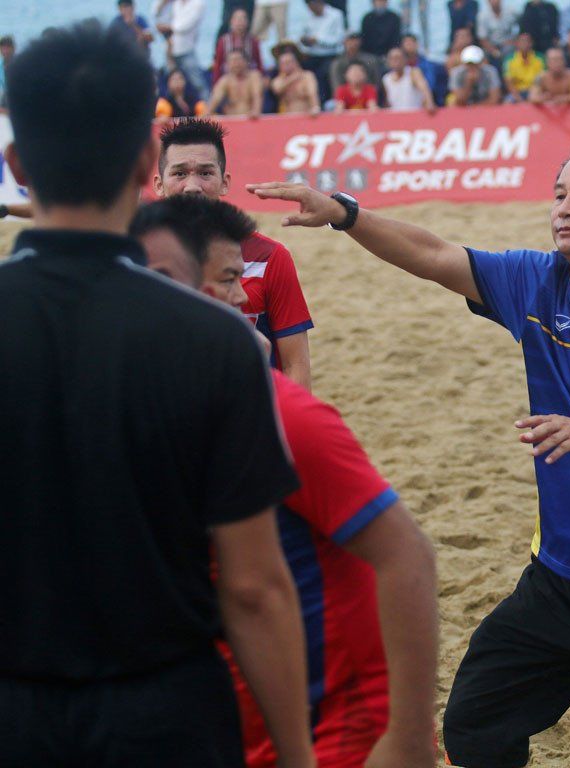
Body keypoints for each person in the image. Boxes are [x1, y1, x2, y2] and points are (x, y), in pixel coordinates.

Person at [247, 139, 570, 768]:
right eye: (559, 194)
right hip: (556, 584)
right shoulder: (537, 282)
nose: (564, 208)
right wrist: (345, 213)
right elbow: (433, 253)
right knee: (475, 725)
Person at [0, 22, 313, 768]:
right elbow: (254, 588)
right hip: (164, 708)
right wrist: (298, 756)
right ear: (148, 161)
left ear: (15, 163)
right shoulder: (220, 341)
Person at [132, 194, 440, 768]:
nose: (238, 296)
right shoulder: (134, 414)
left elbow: (409, 558)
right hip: (235, 722)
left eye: (237, 279)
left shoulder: (282, 414)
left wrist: (408, 735)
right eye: (227, 280)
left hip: (338, 726)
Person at [155, 118, 315, 390]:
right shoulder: (136, 260)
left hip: (248, 421)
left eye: (205, 173)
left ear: (225, 182)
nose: (192, 186)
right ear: (159, 184)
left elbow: (294, 365)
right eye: (179, 173)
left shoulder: (269, 258)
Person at [157, 0, 209, 100]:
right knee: (167, 85)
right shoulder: (175, 3)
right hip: (170, 48)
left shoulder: (198, 3)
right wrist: (163, 3)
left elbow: (185, 26)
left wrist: (167, 27)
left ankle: (208, 110)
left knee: (198, 83)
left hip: (186, 50)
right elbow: (157, 14)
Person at [301, 0, 346, 102]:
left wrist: (318, 41)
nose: (311, 9)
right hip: (312, 55)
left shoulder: (336, 15)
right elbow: (304, 36)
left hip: (330, 54)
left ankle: (324, 102)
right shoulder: (309, 17)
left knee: (322, 74)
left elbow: (338, 40)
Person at [213, 8, 264, 82]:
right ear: (231, 22)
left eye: (243, 19)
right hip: (229, 79)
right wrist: (216, 83)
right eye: (237, 19)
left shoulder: (253, 41)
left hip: (248, 79)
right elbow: (218, 64)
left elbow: (259, 63)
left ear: (247, 22)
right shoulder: (223, 41)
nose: (240, 22)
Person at [210, 49, 264, 116]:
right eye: (231, 61)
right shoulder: (225, 80)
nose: (235, 63)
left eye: (238, 60)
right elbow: (215, 99)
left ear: (246, 61)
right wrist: (206, 115)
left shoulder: (254, 76)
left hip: (251, 118)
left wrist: (256, 111)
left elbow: (257, 96)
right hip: (232, 119)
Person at [272, 44, 322, 115]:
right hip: (286, 118)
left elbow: (312, 94)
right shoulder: (278, 80)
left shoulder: (307, 76)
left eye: (288, 62)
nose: (285, 65)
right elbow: (277, 89)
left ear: (295, 62)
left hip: (305, 116)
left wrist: (315, 107)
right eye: (282, 63)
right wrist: (294, 77)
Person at [382, 46, 437, 110]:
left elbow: (424, 88)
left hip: (413, 115)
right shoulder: (386, 79)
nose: (396, 61)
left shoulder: (413, 73)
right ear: (389, 61)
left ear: (405, 59)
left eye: (398, 58)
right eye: (392, 58)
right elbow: (387, 103)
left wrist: (429, 102)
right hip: (396, 117)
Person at [402, 33, 448, 104]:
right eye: (406, 43)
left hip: (425, 103)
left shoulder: (428, 65)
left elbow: (430, 85)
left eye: (410, 42)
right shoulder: (401, 66)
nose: (408, 45)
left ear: (417, 44)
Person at [504, 31, 547, 102]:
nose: (524, 44)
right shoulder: (509, 59)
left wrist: (535, 94)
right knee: (507, 101)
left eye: (527, 41)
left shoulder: (540, 58)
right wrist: (519, 99)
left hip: (536, 91)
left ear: (531, 43)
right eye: (521, 41)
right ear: (516, 44)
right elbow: (509, 82)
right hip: (518, 92)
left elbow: (544, 78)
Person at [0, 36, 13, 111]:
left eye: (8, 48)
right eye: (3, 48)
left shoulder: (19, 65)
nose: (6, 51)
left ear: (13, 49)